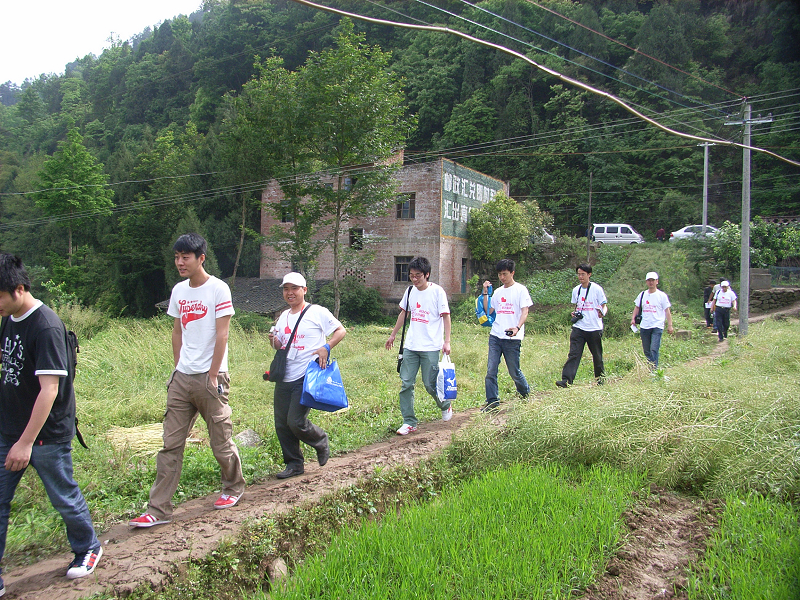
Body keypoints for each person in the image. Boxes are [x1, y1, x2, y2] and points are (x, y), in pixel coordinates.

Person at [0, 254, 103, 592]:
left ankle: (88, 548)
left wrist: (25, 443)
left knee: (63, 497)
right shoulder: (9, 319)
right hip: (10, 429)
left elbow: (49, 390)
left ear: (18, 289)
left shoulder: (45, 326)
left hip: (45, 435)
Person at [130, 233, 245, 528]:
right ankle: (158, 509)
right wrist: (178, 368)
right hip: (182, 378)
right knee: (170, 445)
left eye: (186, 257)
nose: (180, 262)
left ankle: (233, 487)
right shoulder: (179, 291)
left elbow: (222, 334)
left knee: (220, 441)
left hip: (211, 377)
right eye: (177, 257)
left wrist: (212, 374)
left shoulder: (218, 289)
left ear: (200, 258)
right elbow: (177, 331)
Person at [268, 272, 346, 479]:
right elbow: (280, 345)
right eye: (286, 289)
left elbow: (340, 330)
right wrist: (274, 340)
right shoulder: (283, 316)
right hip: (284, 376)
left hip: (306, 375)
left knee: (295, 421)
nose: (290, 293)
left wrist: (326, 347)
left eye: (294, 288)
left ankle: (320, 440)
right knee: (281, 424)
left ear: (304, 290)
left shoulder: (317, 312)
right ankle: (294, 464)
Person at [385, 257, 452, 435]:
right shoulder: (409, 291)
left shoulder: (437, 292)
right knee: (406, 383)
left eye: (418, 276)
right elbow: (404, 314)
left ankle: (445, 405)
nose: (414, 279)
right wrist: (393, 334)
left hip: (431, 346)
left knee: (430, 384)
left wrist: (447, 341)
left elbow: (446, 316)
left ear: (427, 274)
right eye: (412, 275)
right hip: (411, 345)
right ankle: (409, 422)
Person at [481, 258, 532, 411]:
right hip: (496, 336)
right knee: (491, 370)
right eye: (499, 274)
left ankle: (525, 392)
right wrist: (485, 293)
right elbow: (489, 310)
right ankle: (492, 402)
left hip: (512, 338)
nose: (502, 277)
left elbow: (525, 311)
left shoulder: (521, 290)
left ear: (512, 273)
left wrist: (517, 327)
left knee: (514, 371)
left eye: (505, 274)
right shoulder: (498, 292)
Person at [556, 263, 608, 387]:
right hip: (579, 327)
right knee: (573, 354)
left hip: (594, 327)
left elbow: (604, 305)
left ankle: (600, 379)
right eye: (579, 274)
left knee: (597, 355)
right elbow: (577, 306)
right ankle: (566, 380)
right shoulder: (576, 290)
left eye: (583, 274)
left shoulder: (597, 289)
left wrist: (602, 312)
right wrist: (574, 313)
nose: (580, 277)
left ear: (589, 274)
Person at [631, 272, 674, 368]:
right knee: (646, 350)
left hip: (657, 325)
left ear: (657, 281)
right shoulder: (642, 294)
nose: (651, 282)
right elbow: (637, 307)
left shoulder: (662, 295)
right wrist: (633, 318)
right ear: (646, 282)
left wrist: (670, 325)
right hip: (644, 325)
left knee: (654, 348)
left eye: (653, 280)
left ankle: (653, 369)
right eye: (649, 280)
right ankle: (650, 366)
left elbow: (667, 310)